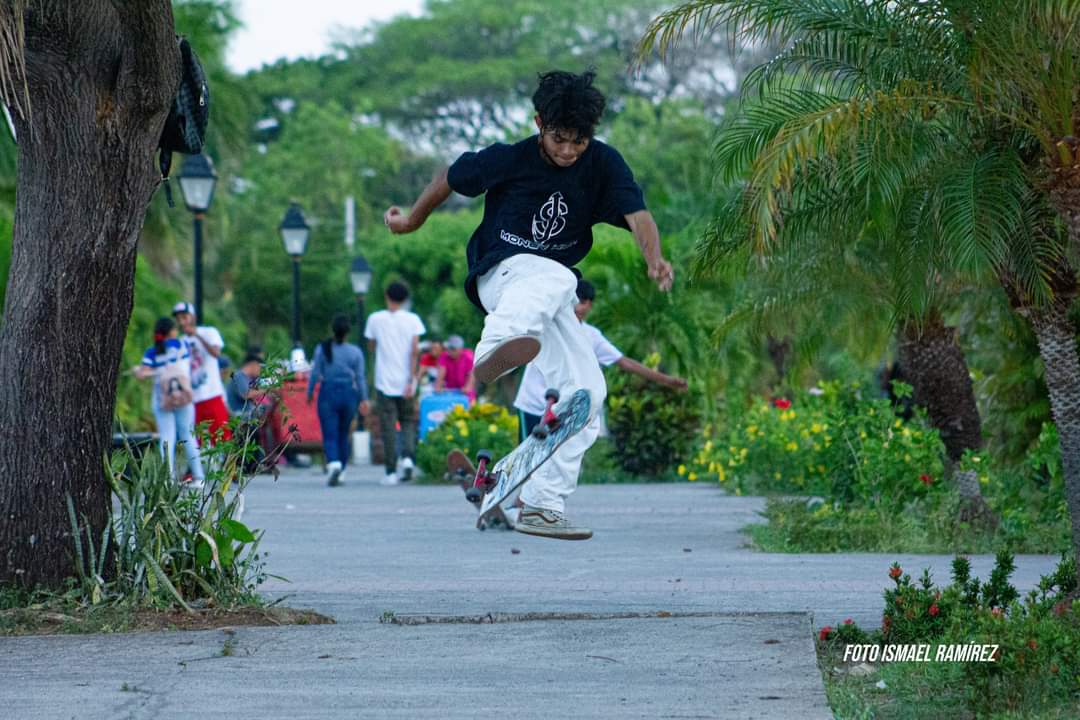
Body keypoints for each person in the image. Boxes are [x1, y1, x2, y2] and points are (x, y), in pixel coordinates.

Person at [384, 70, 674, 539]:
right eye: (559, 139)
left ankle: (541, 503)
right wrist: (411, 221)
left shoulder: (603, 164)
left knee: (588, 392)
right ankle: (491, 350)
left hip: (548, 296)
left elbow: (638, 214)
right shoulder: (510, 158)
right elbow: (450, 176)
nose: (568, 151)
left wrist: (654, 258)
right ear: (539, 122)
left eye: (579, 142)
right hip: (500, 277)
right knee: (557, 274)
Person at [514, 279, 688, 438]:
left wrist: (667, 380)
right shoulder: (550, 325)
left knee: (550, 467)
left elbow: (625, 362)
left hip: (559, 412)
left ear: (589, 305)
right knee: (522, 466)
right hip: (532, 404)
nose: (577, 308)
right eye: (572, 303)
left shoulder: (591, 336)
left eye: (582, 303)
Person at [364, 282, 425, 485]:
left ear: (386, 296)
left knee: (388, 426)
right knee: (407, 421)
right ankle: (408, 458)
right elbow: (415, 351)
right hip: (407, 381)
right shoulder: (413, 320)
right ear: (405, 298)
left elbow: (371, 347)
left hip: (384, 381)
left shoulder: (375, 319)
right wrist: (411, 379)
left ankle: (390, 471)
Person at [133, 317, 206, 489]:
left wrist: (140, 371)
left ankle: (167, 478)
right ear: (171, 331)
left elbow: (143, 374)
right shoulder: (181, 345)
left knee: (167, 437)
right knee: (189, 436)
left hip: (162, 398)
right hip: (183, 396)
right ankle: (199, 477)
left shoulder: (152, 352)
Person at [308, 315, 370, 487]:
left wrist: (310, 392)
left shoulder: (323, 349)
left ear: (332, 330)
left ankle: (333, 462)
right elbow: (360, 377)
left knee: (330, 432)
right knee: (344, 433)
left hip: (328, 392)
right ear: (348, 332)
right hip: (349, 394)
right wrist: (364, 399)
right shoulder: (355, 352)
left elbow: (314, 373)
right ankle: (341, 470)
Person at [172, 302, 232, 445]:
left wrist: (197, 335)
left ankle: (229, 467)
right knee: (197, 443)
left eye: (184, 317)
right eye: (179, 318)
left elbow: (216, 353)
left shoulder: (209, 332)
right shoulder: (180, 342)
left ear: (193, 316)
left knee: (223, 440)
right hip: (192, 400)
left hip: (212, 394)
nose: (182, 321)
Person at [435, 334, 476, 402]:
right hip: (450, 391)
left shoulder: (468, 356)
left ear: (460, 349)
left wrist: (468, 387)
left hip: (465, 391)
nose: (450, 351)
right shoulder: (444, 356)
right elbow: (441, 373)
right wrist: (438, 386)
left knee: (470, 403)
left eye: (453, 349)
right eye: (449, 348)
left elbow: (472, 374)